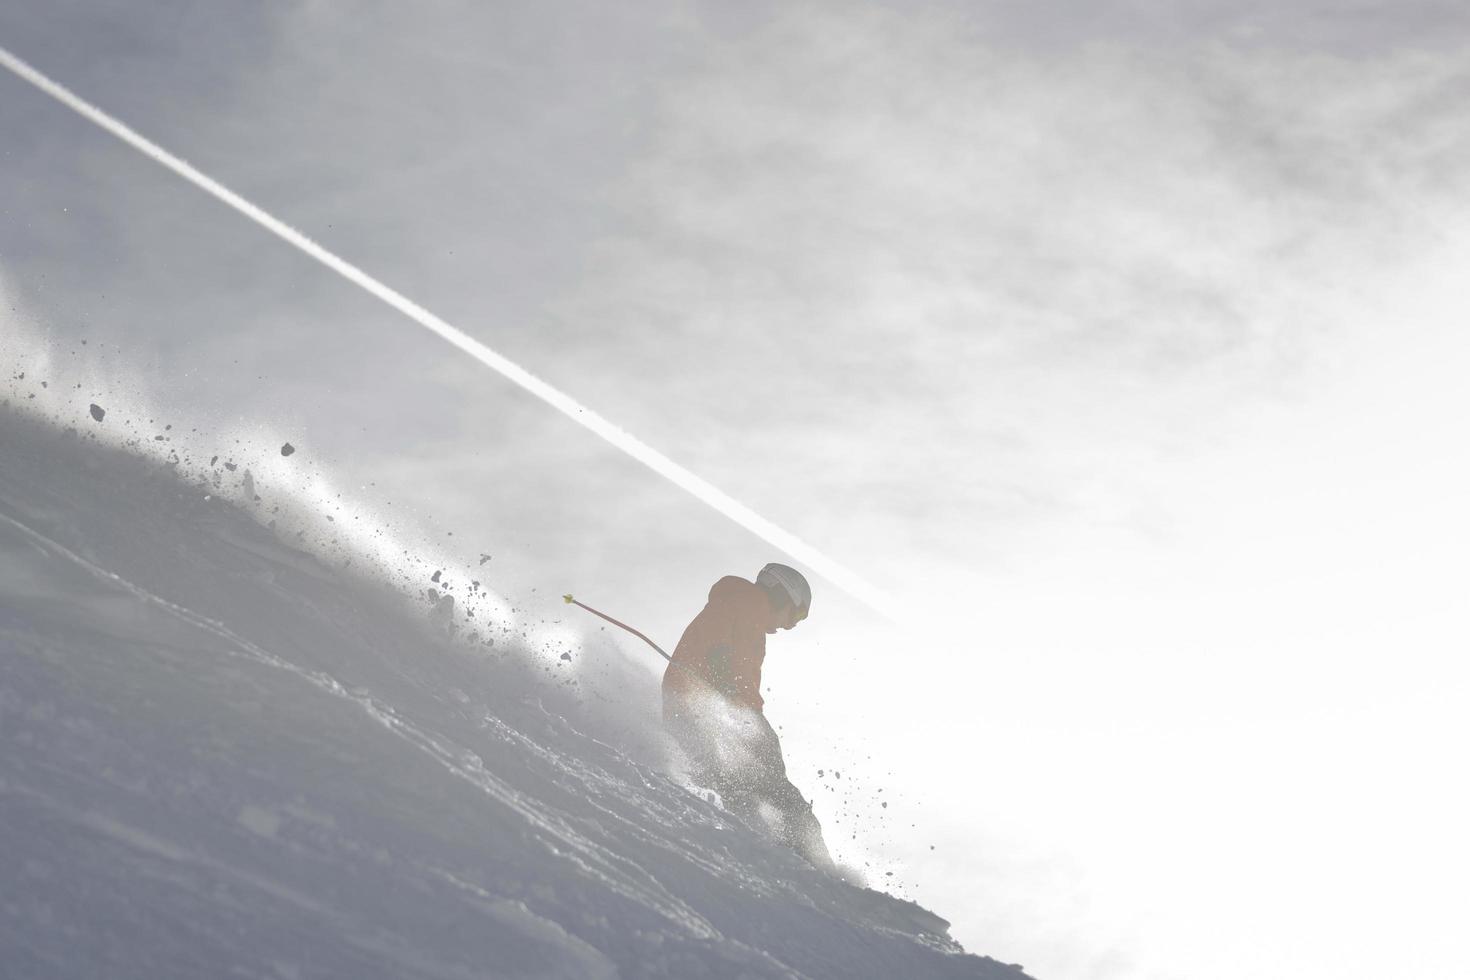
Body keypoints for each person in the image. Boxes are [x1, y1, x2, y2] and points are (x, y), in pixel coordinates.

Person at [662, 563, 833, 869]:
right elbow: (717, 633)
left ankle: (764, 837)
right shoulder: (744, 599)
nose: (792, 625)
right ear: (782, 595)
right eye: (797, 614)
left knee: (734, 780)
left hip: (708, 709)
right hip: (713, 706)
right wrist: (721, 667)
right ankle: (812, 859)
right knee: (775, 789)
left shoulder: (748, 616)